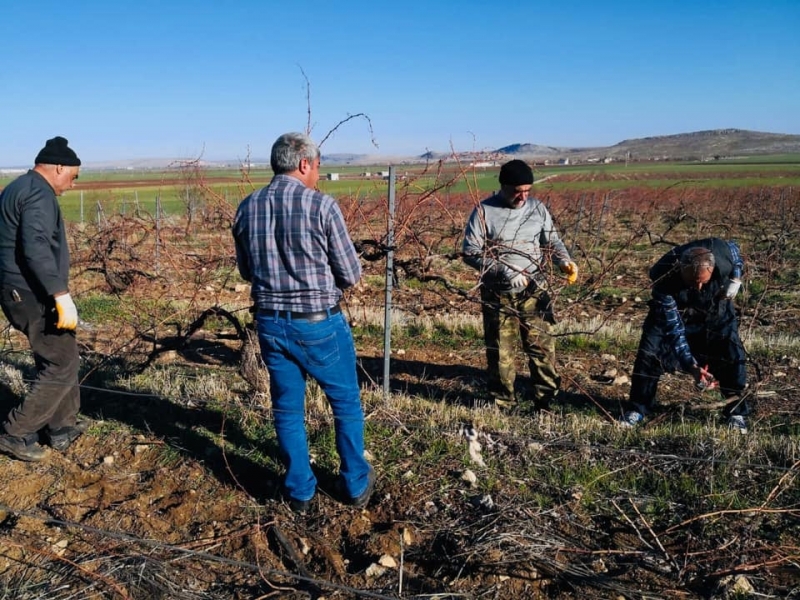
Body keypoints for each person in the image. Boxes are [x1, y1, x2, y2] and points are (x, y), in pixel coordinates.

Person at [232, 132, 374, 513]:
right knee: (344, 402)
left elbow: (247, 271)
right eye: (318, 166)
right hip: (318, 324)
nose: (318, 173)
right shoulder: (322, 207)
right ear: (304, 164)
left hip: (270, 325)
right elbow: (349, 273)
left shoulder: (247, 208)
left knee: (287, 409)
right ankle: (355, 484)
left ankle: (300, 491)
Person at [463, 159, 578, 412]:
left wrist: (564, 261)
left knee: (542, 348)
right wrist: (503, 270)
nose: (523, 196)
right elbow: (470, 252)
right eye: (517, 191)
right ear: (503, 186)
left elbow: (553, 241)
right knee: (500, 352)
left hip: (535, 290)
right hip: (498, 294)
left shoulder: (537, 209)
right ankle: (503, 403)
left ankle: (546, 401)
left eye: (527, 190)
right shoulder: (483, 211)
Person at [0, 136, 88, 461]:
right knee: (62, 361)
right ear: (59, 167)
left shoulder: (19, 187)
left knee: (59, 355)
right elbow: (35, 247)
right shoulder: (38, 193)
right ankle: (16, 432)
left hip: (22, 289)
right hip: (30, 292)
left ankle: (61, 428)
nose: (73, 184)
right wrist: (60, 293)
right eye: (73, 176)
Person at [620, 238, 749, 432]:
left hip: (716, 315)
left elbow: (735, 251)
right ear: (679, 269)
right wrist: (691, 366)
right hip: (675, 314)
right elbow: (674, 329)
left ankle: (736, 411)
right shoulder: (662, 276)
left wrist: (736, 279)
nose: (697, 287)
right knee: (649, 354)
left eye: (703, 282)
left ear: (713, 269)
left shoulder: (721, 251)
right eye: (692, 282)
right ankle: (638, 408)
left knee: (733, 355)